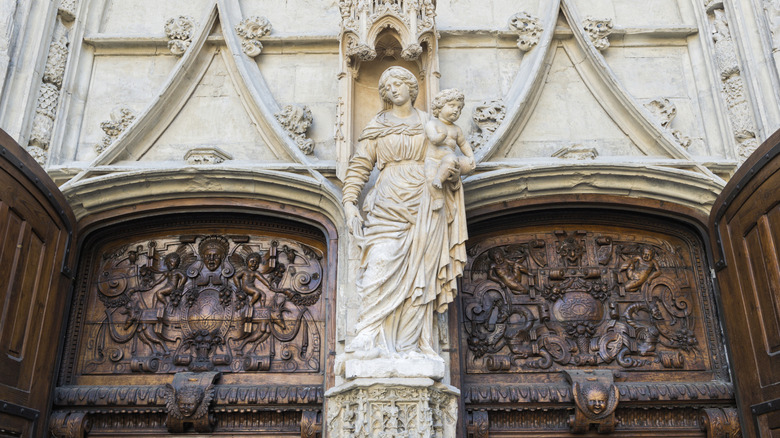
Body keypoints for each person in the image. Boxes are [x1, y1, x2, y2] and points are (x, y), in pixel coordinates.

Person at [342, 66, 468, 361]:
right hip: (387, 202)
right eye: (388, 85)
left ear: (412, 89)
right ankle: (368, 333)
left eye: (399, 83)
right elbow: (360, 165)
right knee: (379, 263)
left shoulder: (431, 123)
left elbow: (452, 158)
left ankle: (409, 345)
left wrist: (450, 174)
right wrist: (349, 203)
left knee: (419, 275)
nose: (394, 88)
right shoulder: (377, 125)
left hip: (426, 200)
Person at [424, 88, 475, 209]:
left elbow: (463, 144)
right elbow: (433, 139)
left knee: (456, 160)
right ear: (439, 107)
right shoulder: (433, 124)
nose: (456, 110)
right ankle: (438, 198)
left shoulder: (456, 129)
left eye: (459, 108)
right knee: (429, 177)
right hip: (433, 159)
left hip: (448, 159)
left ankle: (440, 178)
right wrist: (441, 135)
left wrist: (471, 156)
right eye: (452, 105)